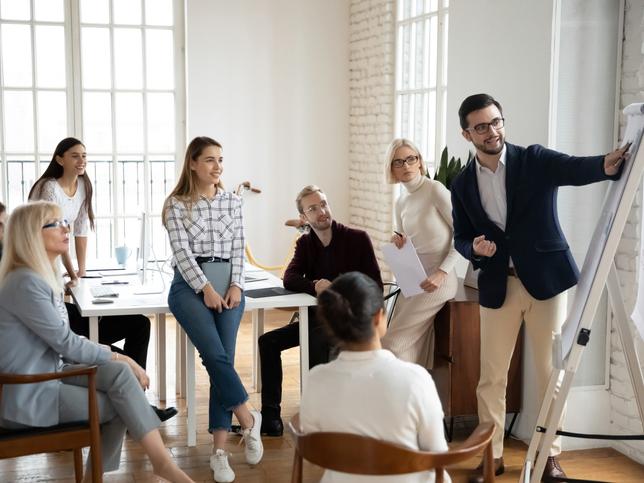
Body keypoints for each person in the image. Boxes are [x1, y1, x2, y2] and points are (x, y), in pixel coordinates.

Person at [450, 93, 630, 483]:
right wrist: (474, 248)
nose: (492, 131)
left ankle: (549, 456)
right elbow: (461, 236)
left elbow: (574, 168)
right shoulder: (462, 183)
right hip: (498, 286)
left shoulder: (533, 160)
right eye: (481, 126)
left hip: (545, 284)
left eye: (496, 121)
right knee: (491, 377)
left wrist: (605, 163)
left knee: (551, 373)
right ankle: (490, 456)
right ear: (467, 134)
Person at [0, 201, 194, 483]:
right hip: (29, 393)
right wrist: (123, 357)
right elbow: (66, 343)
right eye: (56, 224)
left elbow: (64, 341)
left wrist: (121, 363)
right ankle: (119, 473)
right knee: (120, 399)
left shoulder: (38, 276)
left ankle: (158, 465)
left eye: (65, 222)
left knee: (120, 378)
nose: (66, 228)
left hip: (49, 375)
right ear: (31, 234)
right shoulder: (25, 282)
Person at [28, 137, 175, 422]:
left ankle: (137, 407)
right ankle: (137, 411)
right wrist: (70, 274)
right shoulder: (49, 188)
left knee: (139, 323)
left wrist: (79, 273)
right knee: (128, 335)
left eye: (84, 155)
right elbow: (57, 238)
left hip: (59, 284)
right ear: (59, 159)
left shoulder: (83, 185)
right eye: (74, 156)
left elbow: (79, 228)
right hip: (51, 297)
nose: (81, 161)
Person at [162, 136, 262, 483]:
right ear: (192, 163)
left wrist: (236, 285)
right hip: (189, 287)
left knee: (224, 361)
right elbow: (182, 253)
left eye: (220, 159)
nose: (217, 166)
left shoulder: (233, 203)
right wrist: (204, 288)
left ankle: (219, 453)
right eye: (209, 160)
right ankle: (248, 418)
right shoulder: (175, 205)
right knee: (215, 357)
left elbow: (238, 247)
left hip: (229, 284)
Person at [299, 271, 450, 483]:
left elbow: (316, 447)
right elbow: (437, 454)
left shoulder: (316, 380)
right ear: (379, 317)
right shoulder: (415, 379)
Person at [258, 185, 383, 437]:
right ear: (304, 217)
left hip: (350, 322)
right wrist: (315, 285)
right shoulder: (306, 244)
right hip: (316, 318)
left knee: (316, 338)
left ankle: (318, 414)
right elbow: (289, 277)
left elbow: (375, 286)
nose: (322, 211)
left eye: (323, 204)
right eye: (313, 208)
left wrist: (337, 291)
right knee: (268, 341)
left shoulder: (357, 238)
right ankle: (270, 415)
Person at [381, 138, 459, 368]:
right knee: (412, 347)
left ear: (419, 162)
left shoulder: (435, 190)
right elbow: (408, 242)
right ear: (392, 169)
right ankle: (405, 401)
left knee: (392, 343)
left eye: (410, 159)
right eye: (398, 162)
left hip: (438, 279)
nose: (405, 166)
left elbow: (462, 235)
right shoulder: (401, 201)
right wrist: (400, 242)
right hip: (413, 279)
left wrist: (442, 273)